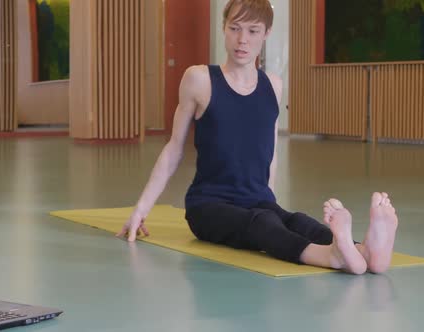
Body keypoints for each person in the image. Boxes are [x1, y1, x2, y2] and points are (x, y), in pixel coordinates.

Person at [117, 0, 398, 275]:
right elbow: (174, 149)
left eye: (253, 31)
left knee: (294, 220)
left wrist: (269, 198)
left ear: (266, 34)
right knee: (262, 223)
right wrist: (141, 209)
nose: (242, 40)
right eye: (235, 28)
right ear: (224, 28)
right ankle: (332, 256)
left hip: (257, 199)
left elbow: (270, 149)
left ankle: (366, 253)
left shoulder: (273, 85)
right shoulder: (199, 79)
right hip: (208, 206)